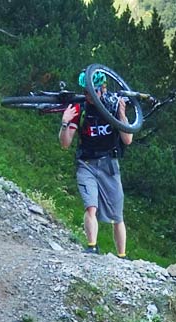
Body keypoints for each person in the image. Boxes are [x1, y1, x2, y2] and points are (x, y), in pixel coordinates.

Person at [59, 69, 133, 257]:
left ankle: (122, 256)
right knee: (90, 206)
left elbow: (127, 140)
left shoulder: (113, 106)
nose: (89, 96)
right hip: (86, 163)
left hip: (109, 163)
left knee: (117, 215)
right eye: (86, 92)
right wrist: (65, 123)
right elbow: (65, 143)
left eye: (93, 91)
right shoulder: (80, 109)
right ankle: (92, 246)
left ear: (103, 89)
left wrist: (122, 115)